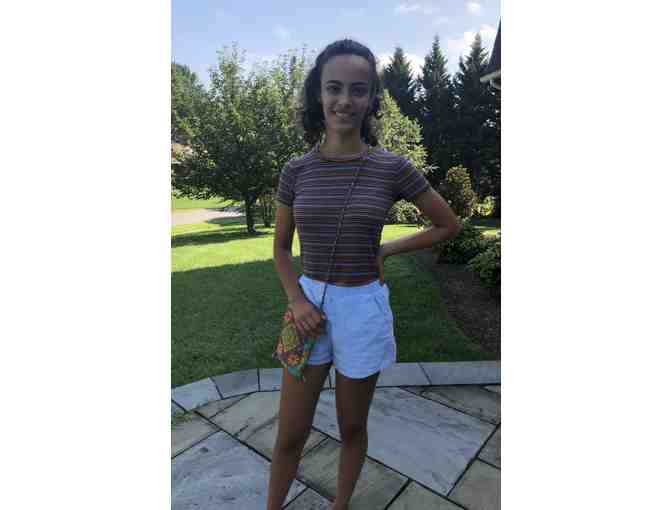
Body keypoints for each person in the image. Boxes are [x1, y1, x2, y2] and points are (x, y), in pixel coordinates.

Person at [267, 38, 461, 510]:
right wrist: (296, 300)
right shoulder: (296, 170)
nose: (345, 100)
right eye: (334, 88)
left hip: (363, 309)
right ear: (318, 93)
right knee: (290, 432)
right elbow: (281, 248)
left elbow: (447, 224)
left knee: (352, 427)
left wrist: (387, 249)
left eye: (358, 90)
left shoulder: (392, 167)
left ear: (372, 98)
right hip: (305, 307)